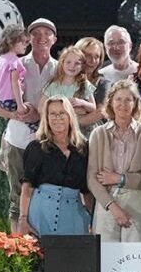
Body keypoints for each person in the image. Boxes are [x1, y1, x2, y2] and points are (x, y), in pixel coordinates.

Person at [0, 18, 57, 233]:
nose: (41, 38)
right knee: (17, 196)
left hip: (50, 140)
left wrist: (41, 116)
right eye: (36, 33)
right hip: (18, 139)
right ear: (28, 39)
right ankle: (18, 247)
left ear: (54, 39)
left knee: (47, 193)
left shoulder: (60, 68)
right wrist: (17, 115)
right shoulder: (15, 62)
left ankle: (45, 247)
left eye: (47, 33)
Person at [87, 80, 141, 243]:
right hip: (106, 203)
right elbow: (92, 179)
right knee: (106, 256)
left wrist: (120, 179)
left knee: (136, 256)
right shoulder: (98, 134)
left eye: (128, 100)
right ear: (111, 102)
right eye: (118, 99)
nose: (123, 104)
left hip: (137, 203)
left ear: (135, 103)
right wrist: (111, 206)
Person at [20, 97, 91, 236]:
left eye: (62, 113)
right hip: (40, 215)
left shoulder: (84, 148)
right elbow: (27, 187)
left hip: (73, 217)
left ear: (70, 116)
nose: (57, 118)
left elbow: (87, 190)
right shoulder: (36, 147)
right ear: (46, 118)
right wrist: (23, 219)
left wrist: (93, 219)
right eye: (52, 114)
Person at [46, 45, 100, 127]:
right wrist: (71, 109)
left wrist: (82, 103)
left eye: (77, 63)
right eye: (68, 62)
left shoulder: (84, 84)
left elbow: (93, 108)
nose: (72, 66)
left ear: (82, 66)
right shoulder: (54, 85)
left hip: (81, 126)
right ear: (62, 63)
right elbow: (42, 107)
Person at [0, 24, 29, 118]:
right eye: (22, 42)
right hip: (12, 101)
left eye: (26, 42)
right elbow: (15, 83)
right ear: (11, 42)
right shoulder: (14, 61)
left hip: (0, 101)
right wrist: (20, 105)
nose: (25, 45)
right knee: (29, 119)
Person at [76, 37, 108, 106]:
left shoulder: (103, 84)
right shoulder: (63, 80)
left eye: (97, 57)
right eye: (88, 55)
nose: (92, 61)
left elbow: (100, 110)